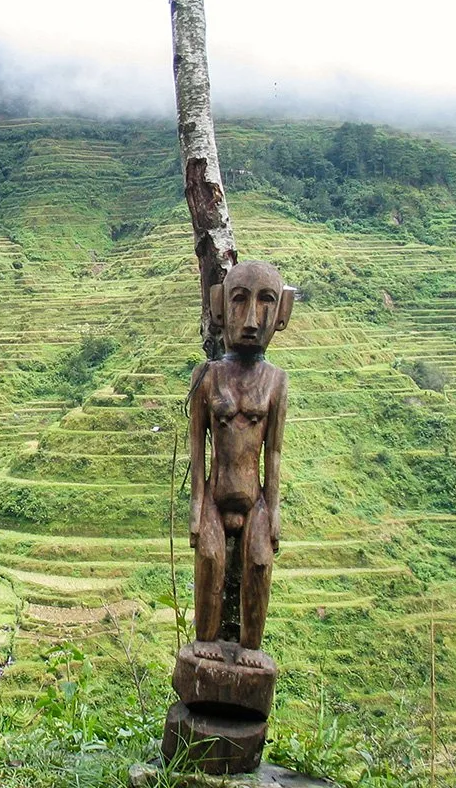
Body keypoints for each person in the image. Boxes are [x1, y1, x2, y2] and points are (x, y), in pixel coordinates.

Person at [188, 260, 293, 667]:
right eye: (239, 301)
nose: (251, 319)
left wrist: (274, 511)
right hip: (216, 496)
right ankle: (206, 638)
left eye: (266, 302)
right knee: (210, 560)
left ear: (282, 312)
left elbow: (274, 453)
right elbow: (198, 450)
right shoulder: (207, 377)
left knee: (260, 564)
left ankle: (251, 646)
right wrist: (197, 506)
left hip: (256, 499)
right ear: (219, 307)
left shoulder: (276, 381)